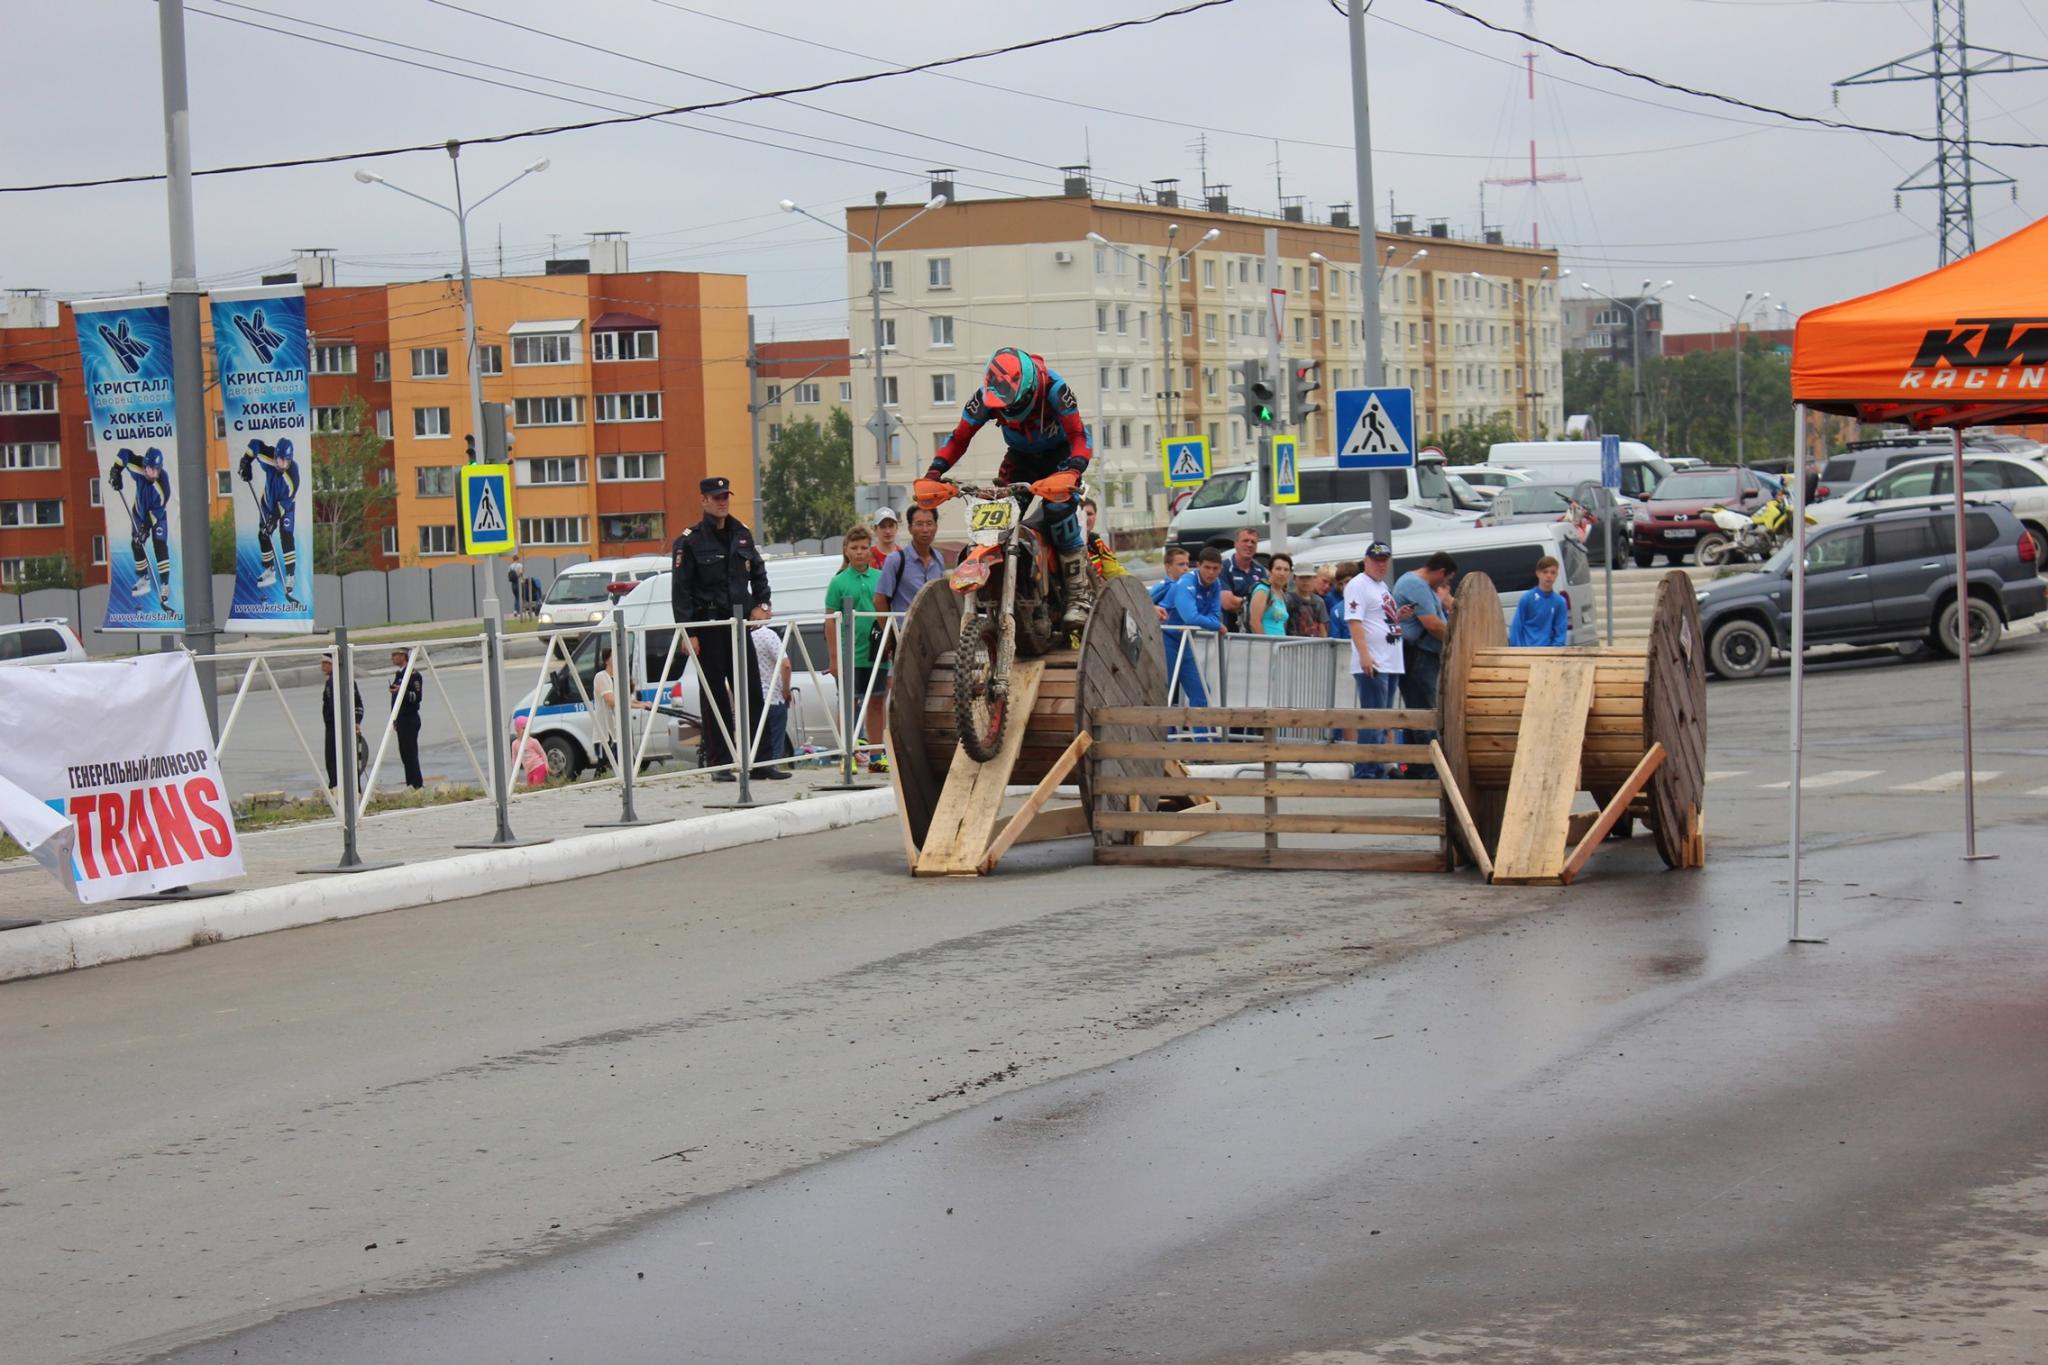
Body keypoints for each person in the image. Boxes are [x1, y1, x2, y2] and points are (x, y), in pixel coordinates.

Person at [916, 346, 1095, 627]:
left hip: (1060, 458)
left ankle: (1078, 594)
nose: (1008, 412)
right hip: (1020, 459)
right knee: (996, 518)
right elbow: (959, 437)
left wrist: (1073, 470)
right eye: (1002, 408)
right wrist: (934, 472)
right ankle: (1004, 592)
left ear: (1029, 390)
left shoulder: (1055, 390)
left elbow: (1080, 435)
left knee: (1059, 510)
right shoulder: (986, 397)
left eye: (1012, 405)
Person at [671, 475, 772, 781]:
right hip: (709, 627)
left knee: (752, 691)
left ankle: (761, 761)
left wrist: (762, 604)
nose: (722, 501)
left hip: (739, 626)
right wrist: (689, 632)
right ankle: (721, 765)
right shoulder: (690, 541)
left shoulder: (741, 533)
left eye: (726, 495)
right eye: (716, 497)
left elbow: (758, 571)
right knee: (715, 698)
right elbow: (681, 591)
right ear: (704, 501)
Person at [1391, 552, 1458, 776]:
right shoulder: (1415, 585)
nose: (1445, 584)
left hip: (1423, 654)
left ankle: (1415, 767)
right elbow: (1433, 625)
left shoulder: (1421, 586)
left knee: (1416, 710)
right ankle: (1430, 768)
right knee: (1424, 712)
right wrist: (1458, 640)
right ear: (1440, 572)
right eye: (1446, 579)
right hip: (1418, 655)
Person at [1343, 542, 1405, 780]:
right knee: (1373, 718)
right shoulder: (1358, 584)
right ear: (1366, 560)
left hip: (1390, 660)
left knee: (1384, 719)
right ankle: (1367, 770)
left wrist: (1400, 616)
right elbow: (1355, 622)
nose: (1381, 564)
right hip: (1375, 661)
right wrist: (1365, 655)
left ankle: (1377, 766)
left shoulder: (1381, 586)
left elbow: (1379, 619)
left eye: (1384, 560)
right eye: (1377, 560)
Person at [825, 525, 883, 767]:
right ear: (846, 551)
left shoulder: (880, 577)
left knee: (877, 701)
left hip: (877, 652)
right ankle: (847, 754)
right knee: (849, 703)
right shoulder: (838, 582)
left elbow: (885, 612)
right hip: (850, 655)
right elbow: (829, 621)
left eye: (864, 548)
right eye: (854, 548)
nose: (860, 552)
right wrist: (834, 657)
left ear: (871, 550)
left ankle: (877, 755)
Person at [238, 437, 304, 609]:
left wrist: (272, 521)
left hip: (285, 507)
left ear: (290, 459)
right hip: (267, 502)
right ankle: (270, 571)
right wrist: (246, 462)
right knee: (263, 535)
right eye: (279, 460)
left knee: (286, 535)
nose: (281, 464)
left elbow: (283, 506)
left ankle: (290, 575)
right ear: (275, 456)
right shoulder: (269, 456)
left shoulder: (293, 478)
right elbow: (254, 444)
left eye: (285, 461)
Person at [1162, 546, 1224, 723]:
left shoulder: (1216, 584)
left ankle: (1202, 742)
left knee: (1201, 691)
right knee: (1165, 690)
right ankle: (1165, 737)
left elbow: (1214, 615)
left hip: (1185, 640)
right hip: (1166, 638)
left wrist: (1214, 623)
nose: (1211, 573)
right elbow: (1190, 616)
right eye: (1207, 568)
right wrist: (1216, 625)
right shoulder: (1186, 582)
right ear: (1198, 566)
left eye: (1215, 568)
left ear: (1220, 569)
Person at [108, 445, 173, 613]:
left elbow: (156, 513)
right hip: (139, 511)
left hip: (156, 517)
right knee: (136, 544)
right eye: (148, 469)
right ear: (144, 465)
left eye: (154, 470)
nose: (150, 473)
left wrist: (145, 529)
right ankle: (144, 579)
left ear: (159, 469)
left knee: (159, 546)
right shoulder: (138, 466)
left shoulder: (163, 487)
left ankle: (165, 584)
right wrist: (116, 471)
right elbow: (123, 453)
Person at [591, 643, 651, 775]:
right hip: (607, 732)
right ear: (607, 660)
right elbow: (611, 701)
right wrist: (638, 706)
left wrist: (642, 703)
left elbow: (628, 699)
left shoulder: (620, 677)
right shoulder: (601, 677)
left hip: (622, 729)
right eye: (614, 656)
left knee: (628, 765)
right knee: (604, 767)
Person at [752, 617, 795, 777]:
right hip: (773, 695)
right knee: (775, 737)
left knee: (757, 738)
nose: (770, 611)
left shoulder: (743, 635)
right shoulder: (768, 634)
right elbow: (786, 665)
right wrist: (786, 690)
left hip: (754, 697)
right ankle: (772, 767)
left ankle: (756, 769)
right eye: (765, 607)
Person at [319, 653, 364, 792]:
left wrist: (355, 722)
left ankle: (344, 791)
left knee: (341, 760)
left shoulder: (339, 681)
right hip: (334, 727)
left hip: (340, 727)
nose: (322, 667)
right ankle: (340, 789)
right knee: (336, 760)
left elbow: (355, 704)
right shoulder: (333, 680)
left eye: (324, 663)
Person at [1509, 555, 1571, 647]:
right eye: (1545, 572)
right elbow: (1516, 627)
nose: (1549, 575)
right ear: (1538, 573)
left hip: (1548, 652)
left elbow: (1560, 631)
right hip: (1527, 651)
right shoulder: (1527, 598)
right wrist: (1518, 650)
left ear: (1557, 575)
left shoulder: (1560, 602)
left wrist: (1555, 649)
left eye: (1552, 572)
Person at [388, 648, 425, 790]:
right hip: (401, 720)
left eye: (395, 655)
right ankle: (410, 783)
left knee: (410, 753)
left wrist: (400, 692)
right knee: (404, 753)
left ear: (403, 656)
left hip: (410, 719)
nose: (392, 658)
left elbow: (417, 697)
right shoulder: (399, 674)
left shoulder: (413, 675)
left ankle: (417, 784)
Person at [1218, 526, 1267, 632]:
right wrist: (1255, 604)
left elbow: (1268, 604)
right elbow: (1227, 603)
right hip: (1229, 634)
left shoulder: (1261, 570)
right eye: (1245, 541)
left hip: (1254, 633)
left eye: (1253, 542)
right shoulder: (1223, 568)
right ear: (1235, 544)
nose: (1249, 545)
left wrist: (1241, 602)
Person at [1246, 553, 1294, 637]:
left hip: (1279, 646)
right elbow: (1254, 622)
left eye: (1286, 570)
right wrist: (1266, 645)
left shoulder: (1283, 595)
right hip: (1266, 646)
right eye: (1278, 569)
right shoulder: (1263, 590)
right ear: (1270, 571)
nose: (1282, 573)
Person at [1081, 497, 1128, 581]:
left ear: (1095, 516)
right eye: (1082, 514)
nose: (1086, 518)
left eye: (1089, 514)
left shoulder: (1095, 542)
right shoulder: (1065, 545)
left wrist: (1131, 584)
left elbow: (1115, 572)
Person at [1150, 545, 1191, 621]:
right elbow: (1142, 605)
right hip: (1167, 630)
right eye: (1181, 564)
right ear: (1168, 567)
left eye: (1187, 564)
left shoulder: (1188, 585)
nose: (1186, 568)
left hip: (1188, 630)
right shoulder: (1164, 587)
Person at [1290, 566, 1331, 638]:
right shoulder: (1288, 599)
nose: (1305, 581)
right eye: (1301, 577)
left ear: (1314, 578)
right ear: (1294, 578)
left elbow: (1323, 629)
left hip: (1314, 644)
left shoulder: (1319, 601)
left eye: (1308, 577)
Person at [510, 715, 550, 787]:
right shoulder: (515, 744)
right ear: (517, 729)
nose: (526, 730)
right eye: (523, 728)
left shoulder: (533, 741)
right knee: (530, 788)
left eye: (527, 728)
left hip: (538, 766)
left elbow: (542, 753)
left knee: (536, 787)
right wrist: (515, 773)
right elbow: (514, 759)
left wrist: (546, 765)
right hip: (528, 771)